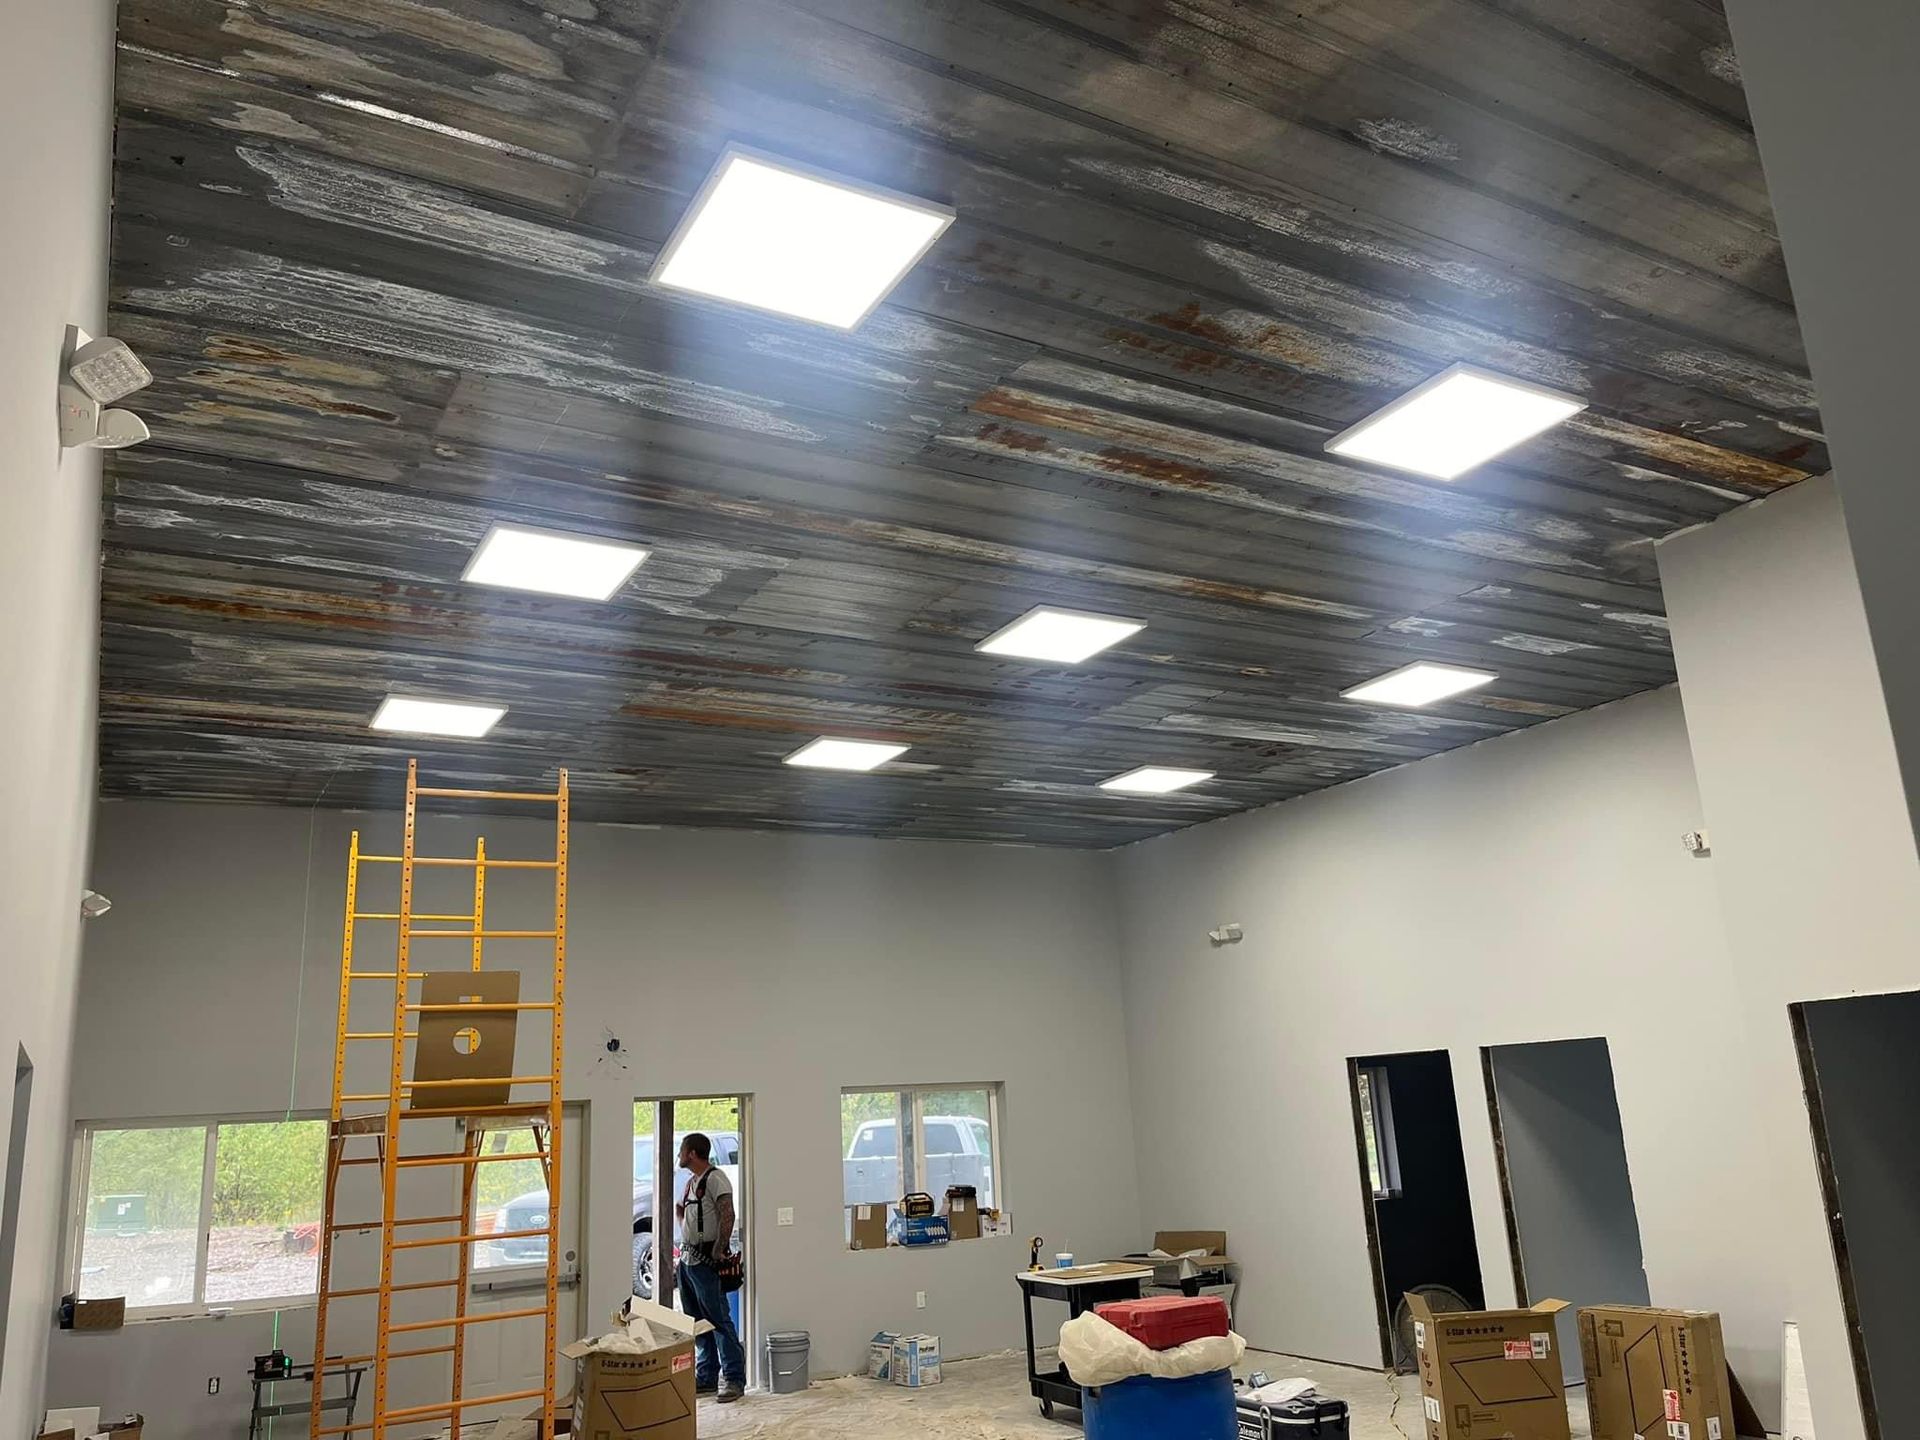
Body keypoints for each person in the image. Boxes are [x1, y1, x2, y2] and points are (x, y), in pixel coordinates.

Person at [674, 1132, 744, 1402]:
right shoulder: (692, 1183)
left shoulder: (716, 1179)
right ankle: (706, 1378)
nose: (680, 1155)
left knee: (719, 1321)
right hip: (688, 1262)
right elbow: (685, 1212)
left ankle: (734, 1379)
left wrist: (719, 1249)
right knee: (698, 1323)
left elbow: (728, 1213)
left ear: (692, 1153)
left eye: (682, 1150)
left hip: (707, 1263)